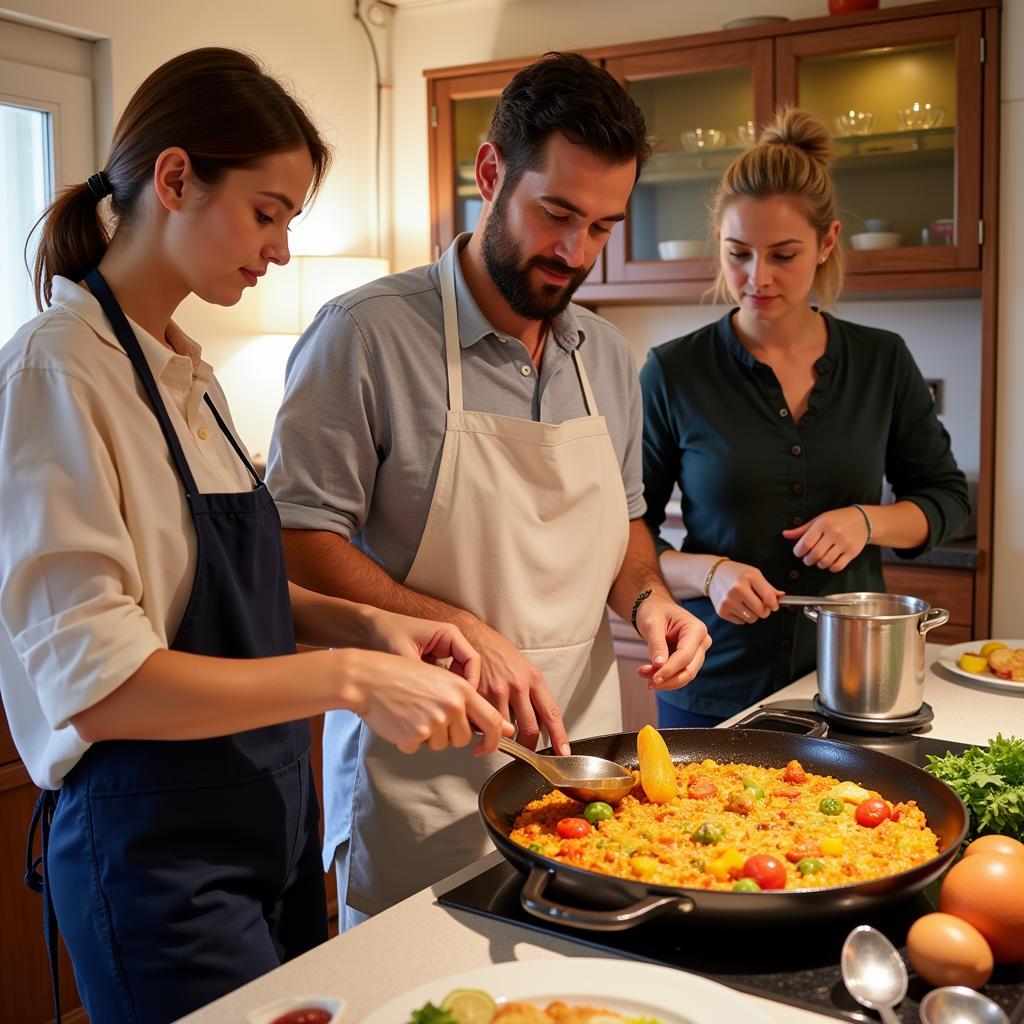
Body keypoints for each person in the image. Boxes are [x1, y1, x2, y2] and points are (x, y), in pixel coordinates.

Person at [0, 47, 509, 1024]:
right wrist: (351, 680)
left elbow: (216, 593)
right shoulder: (59, 376)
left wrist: (371, 629)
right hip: (154, 858)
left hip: (261, 830)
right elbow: (102, 687)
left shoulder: (185, 375)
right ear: (176, 177)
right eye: (267, 212)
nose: (278, 249)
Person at [267, 51, 712, 924]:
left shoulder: (609, 359)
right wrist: (457, 625)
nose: (576, 253)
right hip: (419, 789)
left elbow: (626, 528)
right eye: (557, 215)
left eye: (603, 227)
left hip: (581, 781)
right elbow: (293, 543)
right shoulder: (363, 338)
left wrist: (651, 599)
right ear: (489, 172)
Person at [640, 106, 970, 728]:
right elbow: (629, 536)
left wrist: (866, 521)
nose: (756, 278)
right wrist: (709, 574)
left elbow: (948, 500)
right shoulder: (674, 371)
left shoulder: (882, 360)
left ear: (826, 243)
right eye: (738, 253)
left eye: (783, 255)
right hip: (712, 683)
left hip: (854, 682)